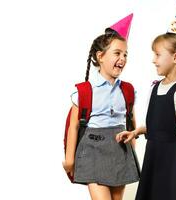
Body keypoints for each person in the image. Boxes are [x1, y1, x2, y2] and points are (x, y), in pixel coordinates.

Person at [116, 2, 176, 199]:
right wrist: (137, 131)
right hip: (154, 156)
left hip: (175, 161)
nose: (153, 59)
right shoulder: (155, 86)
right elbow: (157, 125)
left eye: (158, 55)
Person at [63, 13, 140, 200]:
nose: (122, 58)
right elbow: (74, 125)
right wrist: (70, 158)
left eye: (125, 54)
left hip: (119, 150)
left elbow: (131, 121)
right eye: (117, 53)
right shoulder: (84, 91)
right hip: (93, 151)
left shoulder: (128, 90)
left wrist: (131, 149)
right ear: (100, 56)